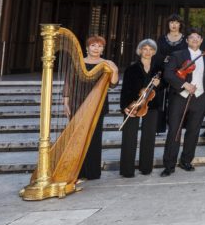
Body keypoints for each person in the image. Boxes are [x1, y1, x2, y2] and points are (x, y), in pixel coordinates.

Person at [63, 35, 119, 181]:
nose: (96, 48)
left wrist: (115, 70)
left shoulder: (106, 64)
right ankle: (77, 171)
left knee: (94, 138)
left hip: (98, 104)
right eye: (93, 45)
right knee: (76, 138)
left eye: (100, 46)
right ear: (87, 48)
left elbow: (113, 85)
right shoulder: (78, 62)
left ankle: (92, 172)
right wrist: (66, 101)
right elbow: (69, 81)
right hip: (77, 103)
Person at [161, 29, 205, 177]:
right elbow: (168, 74)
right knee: (174, 131)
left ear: (201, 40)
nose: (195, 40)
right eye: (191, 38)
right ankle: (169, 164)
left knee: (193, 131)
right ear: (187, 40)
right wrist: (184, 85)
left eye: (198, 38)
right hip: (180, 97)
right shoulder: (177, 55)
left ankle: (186, 161)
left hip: (200, 98)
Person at [119, 39, 162, 177]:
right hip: (134, 104)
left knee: (149, 137)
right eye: (145, 49)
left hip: (152, 105)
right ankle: (127, 170)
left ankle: (146, 168)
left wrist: (159, 84)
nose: (148, 51)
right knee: (129, 137)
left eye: (151, 49)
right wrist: (125, 107)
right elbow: (125, 89)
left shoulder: (158, 69)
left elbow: (165, 86)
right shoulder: (131, 68)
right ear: (140, 51)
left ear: (154, 52)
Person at [156, 13, 188, 134]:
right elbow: (158, 55)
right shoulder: (162, 38)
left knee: (178, 100)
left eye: (176, 22)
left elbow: (186, 56)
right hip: (164, 72)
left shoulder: (185, 39)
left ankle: (178, 126)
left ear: (180, 24)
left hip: (180, 74)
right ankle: (160, 127)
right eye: (171, 22)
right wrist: (166, 60)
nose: (174, 25)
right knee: (162, 99)